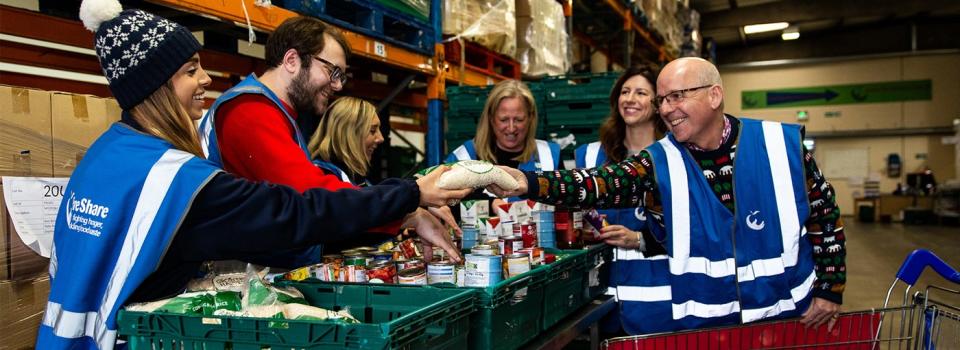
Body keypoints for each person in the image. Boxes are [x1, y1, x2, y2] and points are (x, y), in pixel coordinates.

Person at [38, 3, 470, 348]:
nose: (207, 79)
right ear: (155, 87)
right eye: (190, 71)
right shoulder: (175, 177)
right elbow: (292, 210)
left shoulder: (106, 155)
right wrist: (410, 194)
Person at [490, 57, 845, 334]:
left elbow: (825, 218)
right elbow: (602, 183)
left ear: (714, 94)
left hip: (789, 317)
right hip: (709, 329)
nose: (667, 109)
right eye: (662, 100)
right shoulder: (661, 161)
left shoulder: (781, 146)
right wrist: (528, 183)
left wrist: (830, 289)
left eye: (677, 96)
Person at [198, 15, 456, 263]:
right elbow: (314, 200)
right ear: (291, 60)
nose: (337, 86)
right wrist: (410, 196)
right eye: (333, 72)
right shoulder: (249, 110)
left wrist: (405, 212)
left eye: (341, 76)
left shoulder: (278, 113)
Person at [572, 67, 671, 335]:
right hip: (603, 297)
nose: (630, 99)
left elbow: (690, 229)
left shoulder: (674, 157)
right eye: (625, 92)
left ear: (658, 103)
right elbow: (575, 211)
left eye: (641, 93)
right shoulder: (590, 156)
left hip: (659, 296)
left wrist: (638, 239)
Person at [308, 96, 383, 186]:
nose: (381, 138)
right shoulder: (321, 177)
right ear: (348, 134)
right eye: (372, 130)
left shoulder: (355, 176)